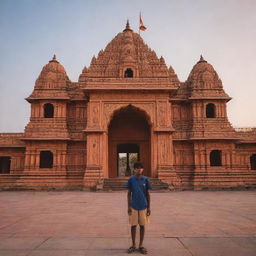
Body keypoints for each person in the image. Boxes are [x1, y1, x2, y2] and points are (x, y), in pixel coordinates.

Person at [126, 162, 152, 254]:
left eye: (141, 168)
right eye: (137, 168)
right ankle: (133, 245)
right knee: (133, 225)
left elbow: (148, 194)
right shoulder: (131, 180)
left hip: (143, 206)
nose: (139, 169)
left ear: (143, 169)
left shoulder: (146, 180)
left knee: (142, 225)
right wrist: (128, 206)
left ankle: (140, 245)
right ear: (134, 169)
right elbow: (129, 193)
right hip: (133, 206)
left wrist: (149, 207)